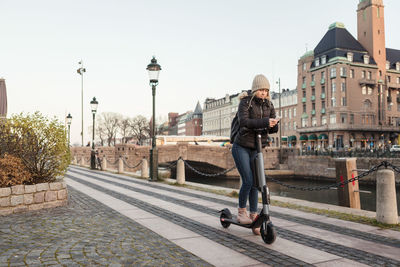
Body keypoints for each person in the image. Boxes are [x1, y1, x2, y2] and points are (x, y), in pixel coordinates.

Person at [232, 74, 279, 235]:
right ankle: (241, 213)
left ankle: (253, 215)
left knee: (256, 183)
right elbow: (244, 122)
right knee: (248, 180)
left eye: (266, 90)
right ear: (255, 90)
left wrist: (273, 124)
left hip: (257, 147)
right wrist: (266, 122)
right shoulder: (245, 103)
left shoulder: (269, 105)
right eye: (261, 90)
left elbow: (271, 129)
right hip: (241, 146)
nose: (264, 93)